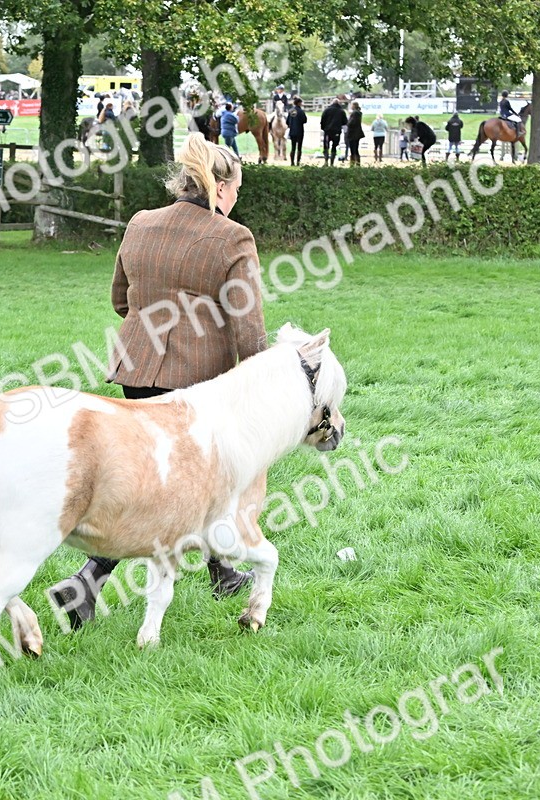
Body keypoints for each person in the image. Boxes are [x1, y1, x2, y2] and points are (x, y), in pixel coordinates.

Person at [47, 131, 267, 628]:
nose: (235, 200)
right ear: (219, 187)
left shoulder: (141, 223)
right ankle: (86, 581)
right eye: (235, 191)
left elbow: (121, 301)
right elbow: (249, 330)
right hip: (198, 382)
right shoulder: (232, 237)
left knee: (169, 483)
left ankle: (221, 571)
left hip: (136, 367)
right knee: (182, 488)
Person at [319, 98, 346, 166]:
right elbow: (345, 122)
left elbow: (322, 120)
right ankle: (332, 162)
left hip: (327, 131)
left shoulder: (327, 110)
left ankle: (326, 161)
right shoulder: (341, 111)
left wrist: (323, 128)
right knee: (334, 146)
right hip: (336, 131)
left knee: (326, 146)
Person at [286, 96, 307, 166]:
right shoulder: (301, 111)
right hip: (300, 131)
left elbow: (287, 121)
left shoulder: (291, 111)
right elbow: (305, 120)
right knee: (299, 148)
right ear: (299, 103)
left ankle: (292, 162)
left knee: (293, 147)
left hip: (292, 131)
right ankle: (298, 162)